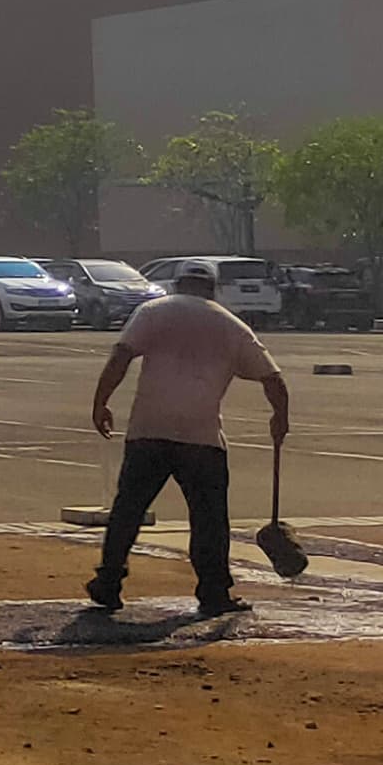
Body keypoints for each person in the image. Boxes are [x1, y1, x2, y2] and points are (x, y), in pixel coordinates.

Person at [85, 261, 288, 618]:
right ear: (212, 290)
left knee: (128, 509)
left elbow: (121, 356)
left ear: (177, 285)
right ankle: (214, 592)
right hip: (201, 435)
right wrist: (279, 418)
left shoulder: (152, 311)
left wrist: (101, 401)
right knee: (209, 519)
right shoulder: (231, 325)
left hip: (149, 429)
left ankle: (108, 581)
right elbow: (273, 379)